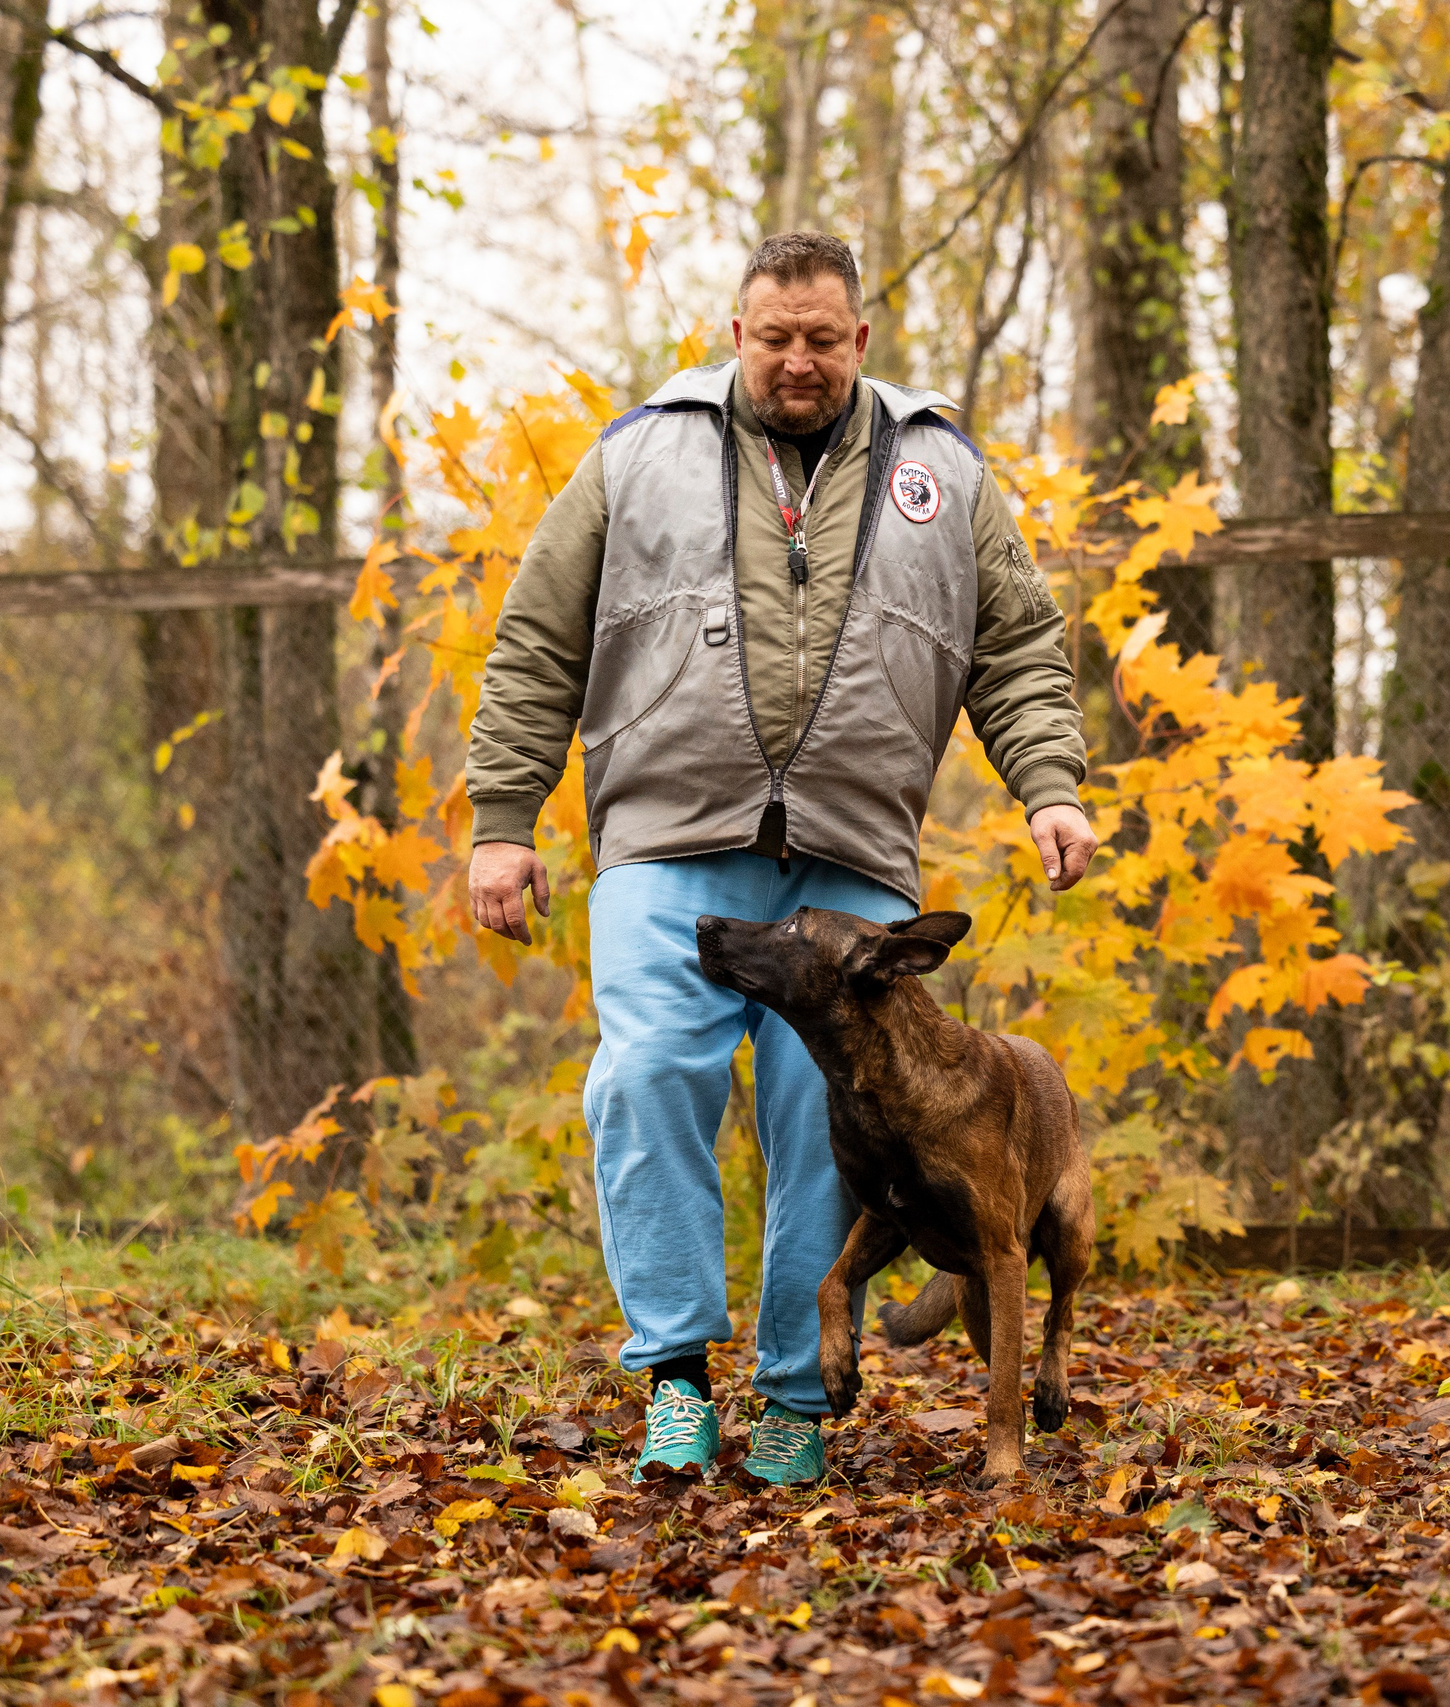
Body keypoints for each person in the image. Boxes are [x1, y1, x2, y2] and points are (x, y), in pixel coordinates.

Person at [463, 232, 1096, 1485]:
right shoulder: (637, 455)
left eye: (821, 339)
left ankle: (800, 1401)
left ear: (858, 341)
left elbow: (1018, 646)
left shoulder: (941, 470)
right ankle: (678, 1381)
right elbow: (537, 639)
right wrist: (502, 818)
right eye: (773, 337)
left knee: (834, 1122)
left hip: (853, 854)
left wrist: (1051, 789)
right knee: (644, 1080)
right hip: (665, 837)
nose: (796, 361)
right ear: (735, 330)